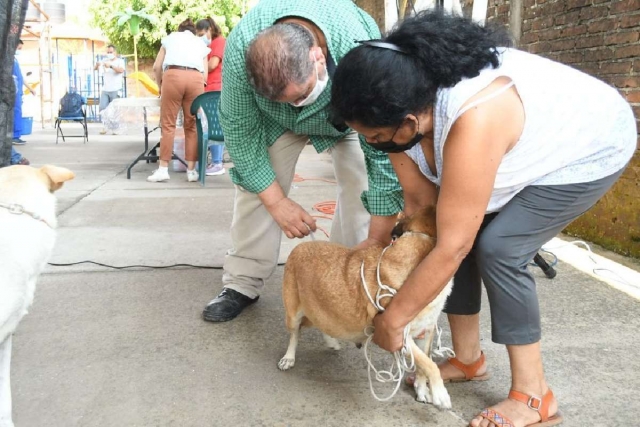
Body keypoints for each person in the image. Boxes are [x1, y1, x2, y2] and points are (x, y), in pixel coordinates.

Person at [330, 11, 636, 427]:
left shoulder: (473, 116)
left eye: (376, 137)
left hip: (589, 146)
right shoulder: (401, 105)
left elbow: (453, 246)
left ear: (408, 121)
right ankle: (469, 359)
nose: (372, 145)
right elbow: (426, 211)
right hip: (522, 137)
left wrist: (395, 318)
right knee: (450, 232)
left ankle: (534, 397)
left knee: (501, 248)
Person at [201, 0, 402, 323]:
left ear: (318, 57)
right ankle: (242, 282)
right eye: (286, 99)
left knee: (362, 184)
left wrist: (378, 240)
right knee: (256, 189)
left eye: (300, 96)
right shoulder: (240, 48)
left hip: (347, 112)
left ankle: (351, 278)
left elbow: (383, 155)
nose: (296, 106)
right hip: (274, 121)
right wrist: (277, 201)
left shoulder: (358, 46)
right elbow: (240, 133)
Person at [149, 19, 210, 183]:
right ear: (193, 31)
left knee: (168, 124)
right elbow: (205, 76)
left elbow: (156, 66)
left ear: (179, 29)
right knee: (191, 125)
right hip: (196, 78)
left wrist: (160, 86)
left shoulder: (170, 38)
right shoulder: (200, 43)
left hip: (173, 76)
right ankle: (191, 172)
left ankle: (163, 169)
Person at [196, 17, 227, 177]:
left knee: (215, 125)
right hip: (207, 88)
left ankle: (217, 163)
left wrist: (197, 69)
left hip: (216, 88)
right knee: (207, 126)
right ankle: (212, 161)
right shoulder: (206, 44)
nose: (201, 36)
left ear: (210, 30)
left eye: (202, 33)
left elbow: (213, 63)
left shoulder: (219, 41)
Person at [94, 44, 125, 135]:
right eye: (108, 52)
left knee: (115, 109)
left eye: (111, 52)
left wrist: (111, 66)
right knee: (102, 108)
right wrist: (97, 65)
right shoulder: (104, 60)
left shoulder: (120, 61)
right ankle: (105, 126)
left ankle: (115, 128)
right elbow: (95, 69)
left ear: (115, 52)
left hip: (116, 88)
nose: (109, 54)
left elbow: (121, 70)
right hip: (106, 89)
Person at [12, 40, 35, 145]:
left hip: (17, 92)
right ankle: (13, 136)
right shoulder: (7, 61)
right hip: (12, 92)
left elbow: (20, 78)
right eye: (19, 48)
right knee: (14, 113)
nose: (19, 51)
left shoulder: (14, 60)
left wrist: (30, 88)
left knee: (17, 113)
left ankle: (16, 135)